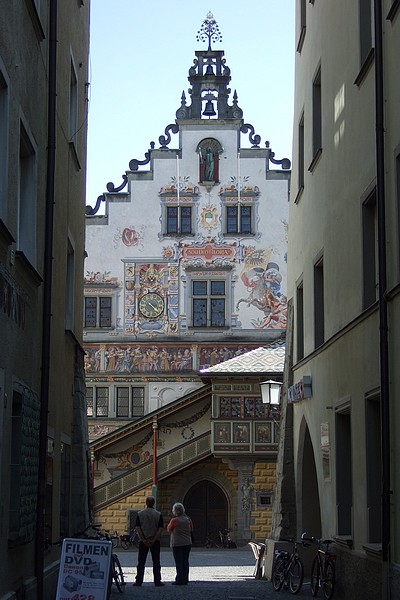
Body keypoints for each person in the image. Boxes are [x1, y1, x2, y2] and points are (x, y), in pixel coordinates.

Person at [134, 496, 164, 587]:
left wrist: (143, 540)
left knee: (141, 562)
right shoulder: (158, 514)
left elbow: (138, 528)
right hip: (155, 541)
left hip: (143, 541)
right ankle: (157, 581)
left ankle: (139, 581)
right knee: (156, 562)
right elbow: (160, 528)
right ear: (154, 503)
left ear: (146, 503)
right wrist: (154, 539)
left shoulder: (140, 514)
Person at [167, 502, 193, 586]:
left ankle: (179, 579)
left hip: (177, 543)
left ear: (175, 511)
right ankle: (185, 579)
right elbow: (192, 529)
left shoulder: (174, 520)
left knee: (178, 562)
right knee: (185, 561)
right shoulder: (188, 519)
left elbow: (169, 529)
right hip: (187, 542)